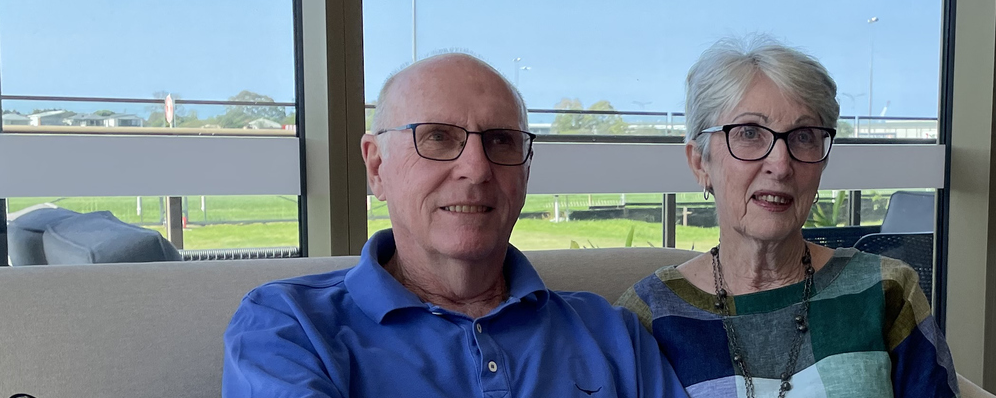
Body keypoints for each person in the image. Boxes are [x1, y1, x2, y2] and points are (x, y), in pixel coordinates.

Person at [223, 53, 687, 398]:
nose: (476, 169)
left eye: (501, 140)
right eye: (438, 138)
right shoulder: (289, 326)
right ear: (376, 166)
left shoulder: (612, 335)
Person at [617, 37, 958, 397]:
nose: (780, 165)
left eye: (804, 136)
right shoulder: (649, 317)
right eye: (749, 133)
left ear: (823, 161)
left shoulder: (885, 290)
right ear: (700, 162)